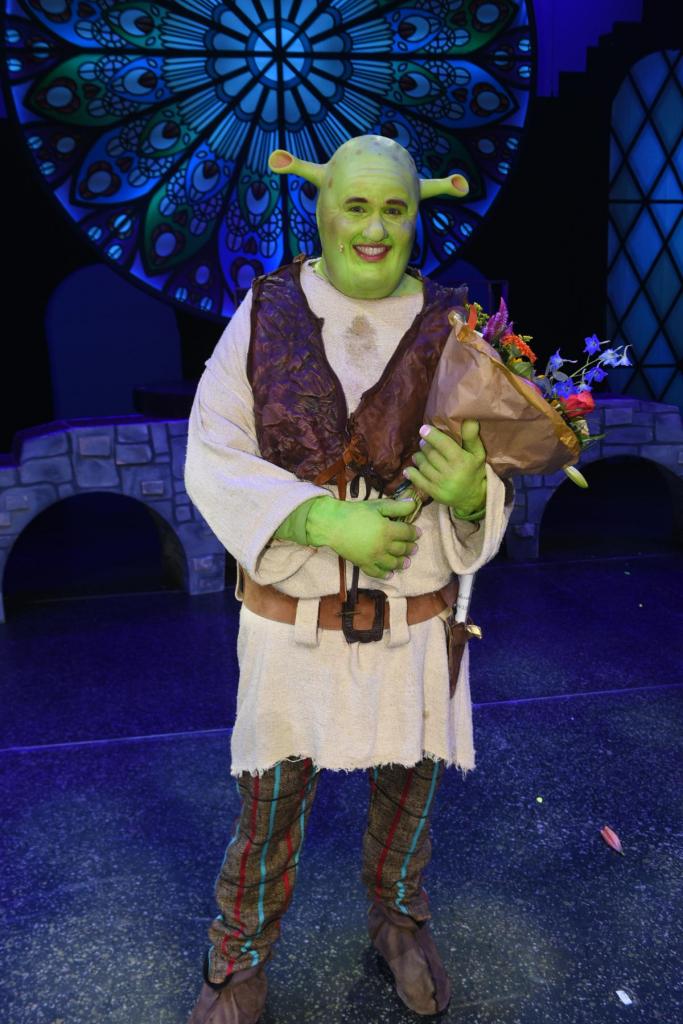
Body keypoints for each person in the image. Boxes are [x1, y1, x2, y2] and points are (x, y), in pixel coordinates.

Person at [184, 134, 513, 1024]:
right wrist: (323, 520)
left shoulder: (456, 329)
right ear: (321, 207)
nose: (374, 228)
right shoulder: (264, 313)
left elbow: (491, 466)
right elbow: (212, 451)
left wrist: (469, 495)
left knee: (408, 800)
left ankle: (399, 924)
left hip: (413, 624)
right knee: (268, 808)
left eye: (394, 208)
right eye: (355, 205)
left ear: (417, 216)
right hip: (295, 626)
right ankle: (237, 960)